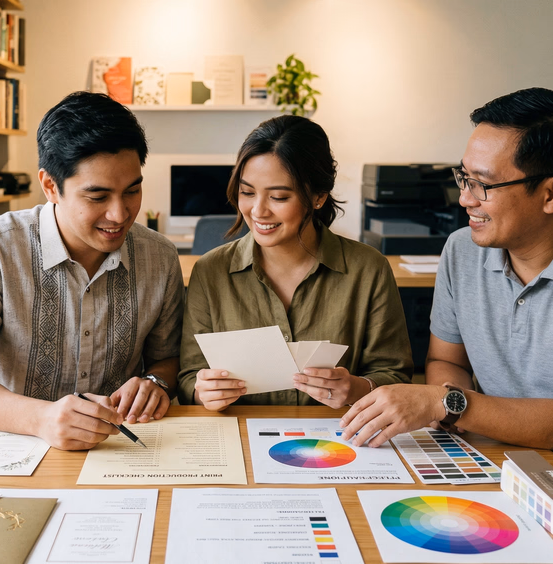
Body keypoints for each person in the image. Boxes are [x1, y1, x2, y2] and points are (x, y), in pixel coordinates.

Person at [0, 92, 184, 450]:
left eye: (133, 190)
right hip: (13, 443)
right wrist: (41, 419)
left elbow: (167, 358)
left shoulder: (160, 256)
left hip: (121, 449)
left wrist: (155, 382)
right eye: (97, 197)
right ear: (50, 186)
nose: (120, 214)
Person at [340, 87, 553, 449]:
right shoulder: (461, 249)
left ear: (548, 195)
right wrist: (455, 413)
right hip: (492, 456)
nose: (465, 199)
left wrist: (448, 406)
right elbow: (444, 360)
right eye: (464, 178)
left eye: (483, 185)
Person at [178, 115, 413, 410]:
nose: (258, 211)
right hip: (237, 440)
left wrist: (358, 388)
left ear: (318, 197)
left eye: (278, 196)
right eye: (247, 192)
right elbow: (188, 377)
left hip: (338, 441)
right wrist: (204, 393)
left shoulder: (368, 270)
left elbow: (396, 376)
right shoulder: (210, 271)